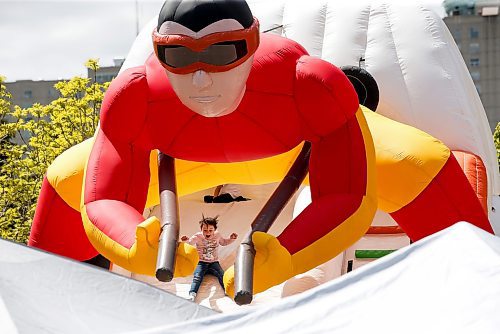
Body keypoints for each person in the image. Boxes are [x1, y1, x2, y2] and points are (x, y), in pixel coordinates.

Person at [28, 0, 492, 299]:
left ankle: (480, 295)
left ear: (249, 47)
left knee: (426, 165)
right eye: (180, 57)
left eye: (220, 53)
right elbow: (99, 195)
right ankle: (39, 302)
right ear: (159, 54)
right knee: (63, 178)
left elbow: (347, 194)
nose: (201, 77)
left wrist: (288, 254)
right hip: (182, 150)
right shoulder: (137, 96)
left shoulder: (307, 84)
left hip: (296, 138)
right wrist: (135, 243)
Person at [181, 216, 237, 301]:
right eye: (205, 230)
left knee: (222, 274)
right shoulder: (197, 236)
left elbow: (224, 242)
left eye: (210, 230)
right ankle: (192, 293)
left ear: (214, 230)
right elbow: (190, 243)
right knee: (197, 277)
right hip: (201, 262)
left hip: (214, 262)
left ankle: (227, 290)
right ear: (201, 230)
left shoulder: (217, 235)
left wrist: (231, 239)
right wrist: (186, 240)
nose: (208, 232)